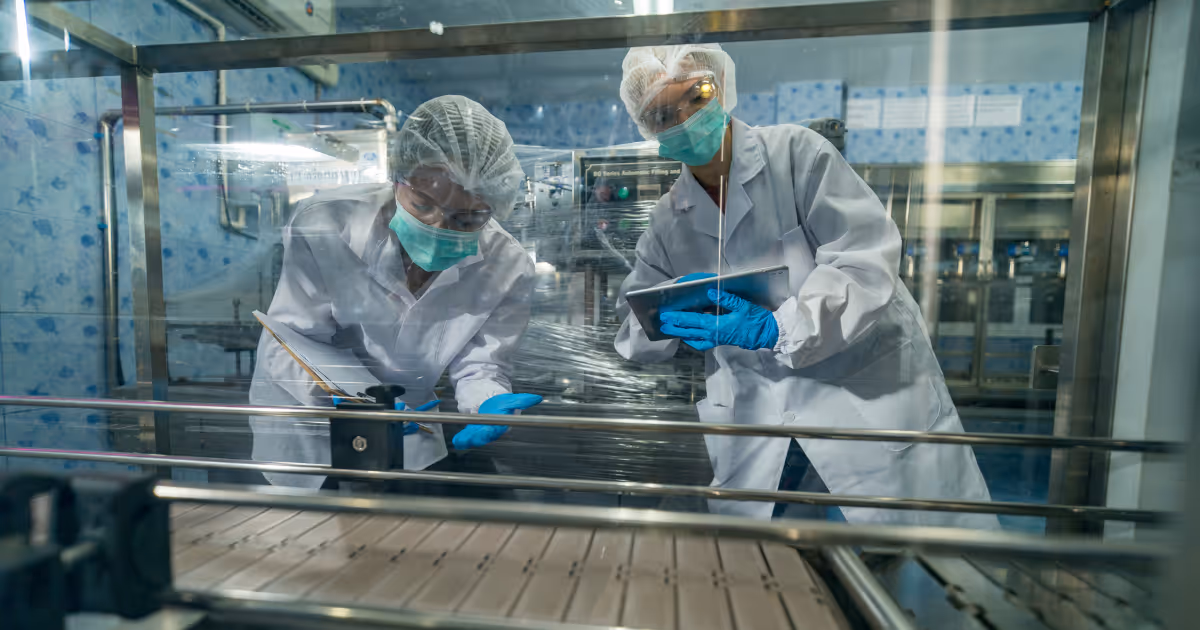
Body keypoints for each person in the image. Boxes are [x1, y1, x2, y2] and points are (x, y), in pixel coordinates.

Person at [613, 44, 997, 527]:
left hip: (863, 409)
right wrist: (664, 318)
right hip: (758, 431)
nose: (686, 116)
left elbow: (863, 264)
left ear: (722, 87)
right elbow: (633, 330)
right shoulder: (670, 219)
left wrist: (775, 329)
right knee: (771, 580)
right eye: (665, 111)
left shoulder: (796, 154)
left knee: (915, 571)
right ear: (650, 128)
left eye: (698, 94)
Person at [249, 95, 542, 490]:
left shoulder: (507, 265)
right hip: (309, 427)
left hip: (412, 431)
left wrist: (487, 400)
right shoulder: (327, 223)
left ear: (494, 207)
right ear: (396, 178)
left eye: (468, 218)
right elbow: (291, 342)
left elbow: (481, 365)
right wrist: (362, 399)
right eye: (423, 204)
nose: (440, 227)